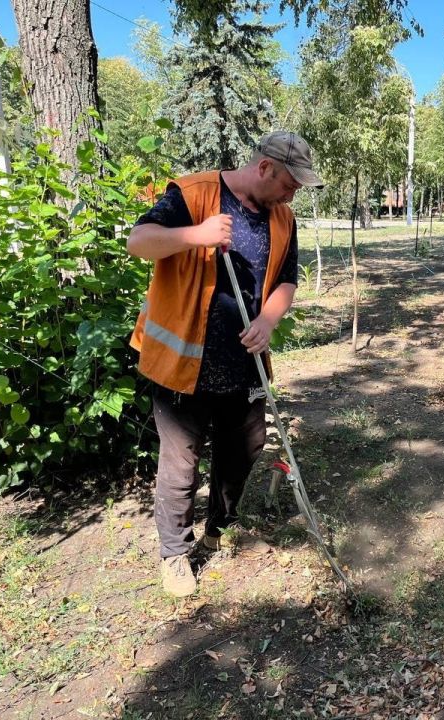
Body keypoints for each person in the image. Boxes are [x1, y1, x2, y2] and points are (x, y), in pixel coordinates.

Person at [126, 130, 323, 597]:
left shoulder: (282, 218)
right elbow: (139, 241)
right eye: (290, 183)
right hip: (183, 363)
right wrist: (196, 235)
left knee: (245, 449)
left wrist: (269, 320)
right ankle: (175, 553)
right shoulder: (193, 194)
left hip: (243, 363)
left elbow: (287, 280)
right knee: (181, 463)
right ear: (265, 167)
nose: (292, 193)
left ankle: (219, 525)